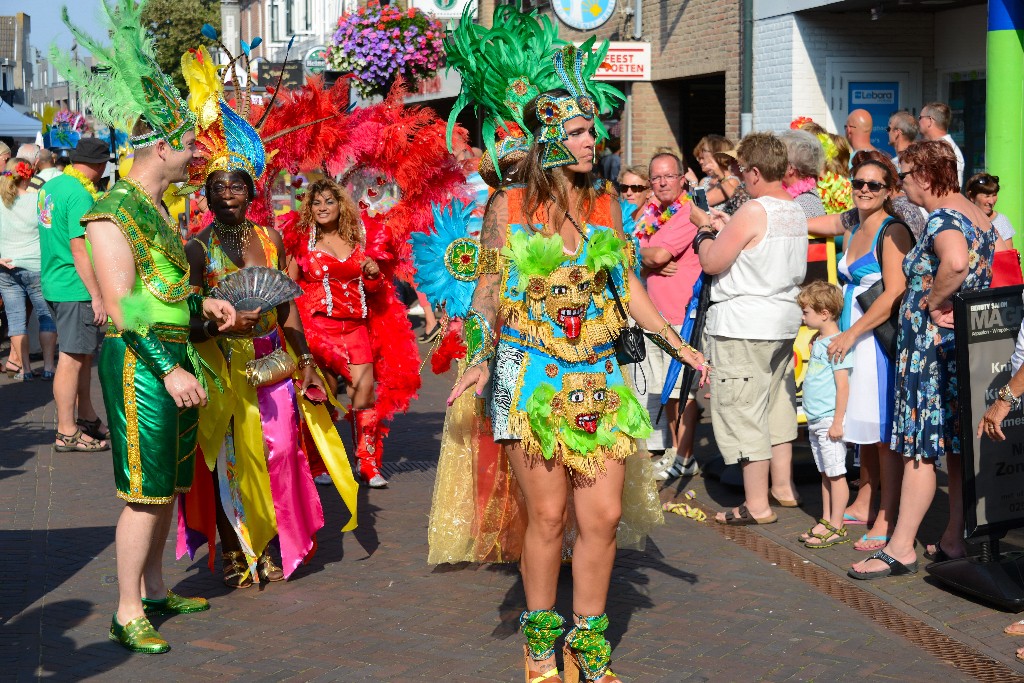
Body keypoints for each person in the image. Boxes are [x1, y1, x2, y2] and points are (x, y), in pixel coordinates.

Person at [440, 12, 706, 679]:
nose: (596, 141)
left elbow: (629, 288)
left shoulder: (609, 204)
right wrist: (476, 357)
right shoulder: (508, 205)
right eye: (584, 131)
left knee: (606, 515)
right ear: (550, 135)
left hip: (598, 375)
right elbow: (486, 293)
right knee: (549, 517)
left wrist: (675, 342)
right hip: (529, 374)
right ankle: (541, 644)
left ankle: (589, 646)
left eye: (596, 130)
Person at [58, 0, 236, 653]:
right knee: (142, 491)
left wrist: (202, 310)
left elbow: (165, 297)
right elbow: (125, 303)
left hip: (170, 354)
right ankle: (127, 606)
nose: (196, 154)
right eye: (189, 143)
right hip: (140, 364)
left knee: (167, 485)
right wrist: (172, 365)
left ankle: (156, 583)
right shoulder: (113, 212)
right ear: (159, 145)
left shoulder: (159, 209)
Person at [177, 43, 358, 587]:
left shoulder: (272, 239)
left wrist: (305, 362)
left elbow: (286, 308)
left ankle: (276, 538)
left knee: (278, 453)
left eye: (237, 185)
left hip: (270, 362)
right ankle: (236, 549)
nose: (228, 193)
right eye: (218, 186)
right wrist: (218, 323)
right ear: (206, 193)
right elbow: (186, 318)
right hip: (219, 364)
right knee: (226, 462)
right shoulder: (195, 248)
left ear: (252, 190)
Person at [849, 140, 996, 580]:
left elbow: (953, 261)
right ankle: (954, 537)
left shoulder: (944, 218)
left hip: (931, 351)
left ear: (928, 177)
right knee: (952, 447)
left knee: (920, 448)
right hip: (955, 347)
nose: (902, 184)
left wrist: (934, 299)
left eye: (906, 175)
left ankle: (900, 547)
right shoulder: (976, 214)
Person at [695, 132, 807, 526]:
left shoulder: (754, 209)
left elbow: (712, 262)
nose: (741, 178)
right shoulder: (794, 209)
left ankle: (756, 504)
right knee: (777, 402)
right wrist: (728, 226)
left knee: (743, 408)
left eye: (743, 171)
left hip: (744, 322)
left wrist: (705, 232)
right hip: (781, 319)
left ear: (756, 172)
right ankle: (783, 486)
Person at [828, 154, 913, 552]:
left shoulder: (891, 230)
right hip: (854, 338)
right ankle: (865, 497)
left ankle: (887, 515)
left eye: (874, 185)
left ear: (890, 191)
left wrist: (852, 333)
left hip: (876, 342)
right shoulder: (854, 226)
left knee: (881, 433)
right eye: (858, 182)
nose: (864, 189)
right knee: (863, 430)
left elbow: (895, 293)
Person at [285, 179, 392, 488]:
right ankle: (320, 465)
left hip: (356, 328)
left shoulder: (358, 241)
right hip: (318, 329)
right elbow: (288, 290)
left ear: (340, 206)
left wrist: (373, 276)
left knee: (364, 395)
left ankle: (368, 464)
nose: (322, 207)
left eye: (329, 202)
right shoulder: (301, 244)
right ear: (309, 207)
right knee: (322, 396)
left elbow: (376, 292)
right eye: (316, 203)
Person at [38, 138, 112, 452]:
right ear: (100, 166)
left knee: (80, 356)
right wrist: (97, 295)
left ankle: (85, 418)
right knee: (70, 359)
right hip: (75, 286)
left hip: (55, 281)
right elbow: (79, 248)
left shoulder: (50, 188)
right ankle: (66, 431)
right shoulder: (80, 194)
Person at [636, 152, 703, 479]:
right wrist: (644, 257)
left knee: (683, 391)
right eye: (656, 178)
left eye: (668, 176)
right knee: (668, 390)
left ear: (682, 179)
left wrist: (647, 256)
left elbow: (659, 253)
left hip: (680, 316)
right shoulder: (652, 213)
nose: (662, 182)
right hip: (656, 315)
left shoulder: (687, 213)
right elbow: (632, 248)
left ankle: (685, 455)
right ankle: (677, 452)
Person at [796, 281, 852, 548]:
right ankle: (827, 519)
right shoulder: (818, 341)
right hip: (816, 418)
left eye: (806, 312)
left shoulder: (836, 345)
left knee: (836, 473)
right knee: (825, 472)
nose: (803, 317)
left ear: (824, 313)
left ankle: (837, 525)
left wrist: (838, 421)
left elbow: (843, 385)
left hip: (829, 419)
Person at [0, 157, 57, 380]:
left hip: (6, 267)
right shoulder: (39, 200)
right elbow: (51, 230)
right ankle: (49, 367)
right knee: (46, 317)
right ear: (30, 175)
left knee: (15, 319)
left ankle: (24, 369)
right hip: (35, 266)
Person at [692, 135, 747, 214]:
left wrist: (693, 182)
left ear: (715, 156)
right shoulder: (705, 180)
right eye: (699, 158)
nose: (700, 162)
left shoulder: (731, 181)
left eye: (703, 157)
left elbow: (699, 204)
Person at [779, 129, 826, 218]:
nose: (775, 162)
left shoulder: (801, 205)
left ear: (790, 168)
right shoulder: (800, 200)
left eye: (779, 158)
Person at [918, 102, 964, 186]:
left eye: (920, 117)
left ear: (930, 121)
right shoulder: (939, 146)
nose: (918, 121)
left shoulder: (944, 150)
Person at [965, 173, 1015, 249]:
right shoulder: (962, 221)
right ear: (972, 196)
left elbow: (1007, 256)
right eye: (987, 196)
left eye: (994, 195)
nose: (991, 201)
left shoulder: (1002, 221)